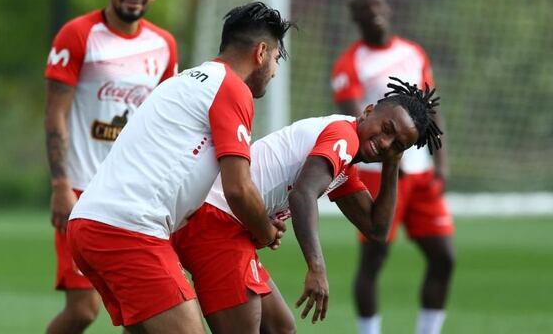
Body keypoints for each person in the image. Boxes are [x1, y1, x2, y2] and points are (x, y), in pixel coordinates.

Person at [66, 2, 295, 333]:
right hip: (129, 230)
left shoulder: (185, 80)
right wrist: (265, 231)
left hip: (91, 222)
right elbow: (238, 189)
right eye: (276, 59)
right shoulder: (231, 88)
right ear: (261, 52)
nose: (274, 71)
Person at [171, 77, 444, 334]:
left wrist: (393, 163)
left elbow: (377, 229)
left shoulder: (344, 165)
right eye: (386, 129)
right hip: (213, 223)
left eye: (398, 145)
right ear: (368, 111)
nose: (385, 143)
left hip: (222, 225)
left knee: (280, 327)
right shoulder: (344, 136)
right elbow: (303, 194)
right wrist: (317, 269)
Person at [43, 0, 177, 332]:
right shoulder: (78, 34)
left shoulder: (164, 45)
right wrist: (59, 184)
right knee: (84, 310)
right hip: (81, 191)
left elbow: (165, 123)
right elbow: (55, 112)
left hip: (134, 194)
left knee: (139, 310)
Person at [330, 0, 455, 334]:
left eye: (378, 5)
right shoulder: (349, 63)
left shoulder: (414, 52)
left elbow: (431, 109)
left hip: (421, 174)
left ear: (388, 6)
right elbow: (359, 124)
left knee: (443, 257)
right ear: (355, 18)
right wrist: (388, 162)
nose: (375, 13)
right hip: (378, 173)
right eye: (365, 9)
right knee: (374, 258)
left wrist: (440, 161)